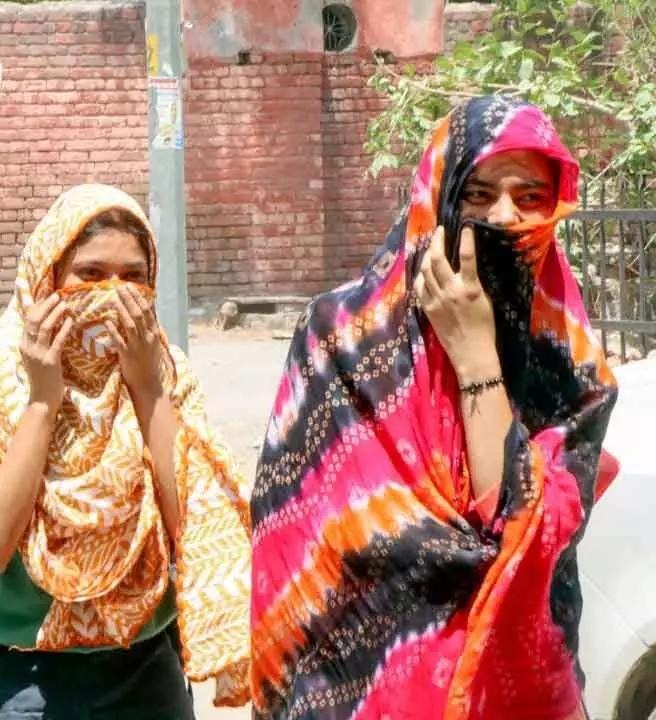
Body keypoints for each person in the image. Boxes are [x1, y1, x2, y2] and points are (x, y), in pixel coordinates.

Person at [248, 96, 618, 719]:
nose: (504, 217)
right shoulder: (342, 340)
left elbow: (524, 530)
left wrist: (475, 358)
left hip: (516, 695)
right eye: (479, 194)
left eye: (530, 197)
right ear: (437, 201)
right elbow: (293, 547)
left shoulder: (569, 365)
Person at [0, 184, 252, 718]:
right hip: (17, 681)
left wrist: (146, 389)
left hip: (144, 673)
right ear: (49, 276)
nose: (113, 294)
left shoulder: (164, 371)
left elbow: (194, 528)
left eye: (133, 277)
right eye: (91, 274)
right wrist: (41, 403)